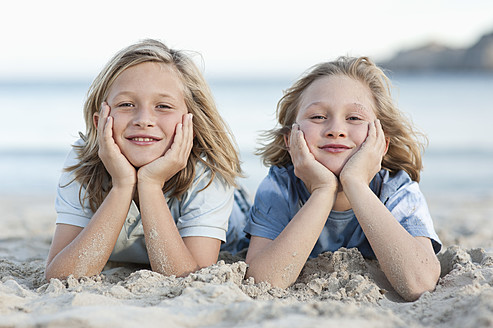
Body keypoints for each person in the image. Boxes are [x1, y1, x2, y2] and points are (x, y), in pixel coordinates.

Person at [45, 39, 249, 280]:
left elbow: (189, 277)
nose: (144, 119)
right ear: (100, 122)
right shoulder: (83, 161)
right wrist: (122, 185)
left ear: (191, 121)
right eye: (126, 104)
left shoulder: (207, 170)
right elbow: (59, 276)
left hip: (234, 218)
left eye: (163, 106)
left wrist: (150, 185)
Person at [244, 56, 442, 301]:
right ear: (290, 139)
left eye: (354, 118)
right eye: (317, 117)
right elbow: (264, 281)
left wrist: (356, 183)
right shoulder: (280, 186)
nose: (335, 129)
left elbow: (420, 283)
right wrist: (323, 190)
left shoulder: (396, 189)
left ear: (382, 142)